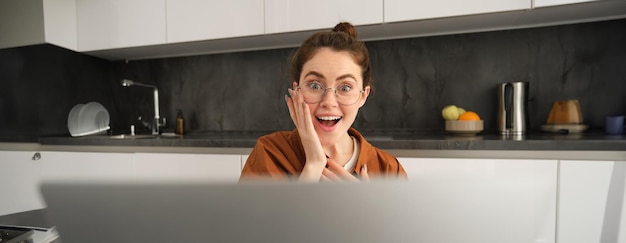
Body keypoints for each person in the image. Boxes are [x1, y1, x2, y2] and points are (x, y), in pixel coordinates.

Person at [240, 22, 406, 182]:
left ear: (363, 96)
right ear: (297, 91)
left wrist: (366, 207)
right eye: (315, 85)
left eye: (345, 88)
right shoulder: (270, 153)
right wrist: (313, 166)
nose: (329, 102)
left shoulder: (389, 170)